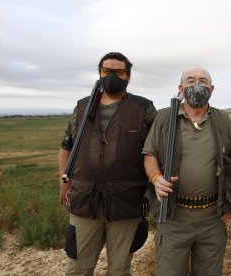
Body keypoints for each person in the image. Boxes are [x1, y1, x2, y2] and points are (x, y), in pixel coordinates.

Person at [143, 65, 231, 276]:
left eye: (202, 81)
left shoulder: (223, 120)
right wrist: (156, 178)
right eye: (191, 80)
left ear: (211, 88)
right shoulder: (165, 118)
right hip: (173, 218)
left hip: (212, 220)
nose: (197, 84)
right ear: (180, 87)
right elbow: (149, 156)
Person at [58, 52, 157, 275]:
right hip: (84, 200)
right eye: (106, 71)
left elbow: (154, 151)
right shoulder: (82, 107)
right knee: (77, 269)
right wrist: (63, 181)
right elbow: (66, 146)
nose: (112, 75)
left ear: (128, 76)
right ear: (99, 74)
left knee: (119, 270)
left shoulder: (144, 108)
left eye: (119, 71)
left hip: (126, 202)